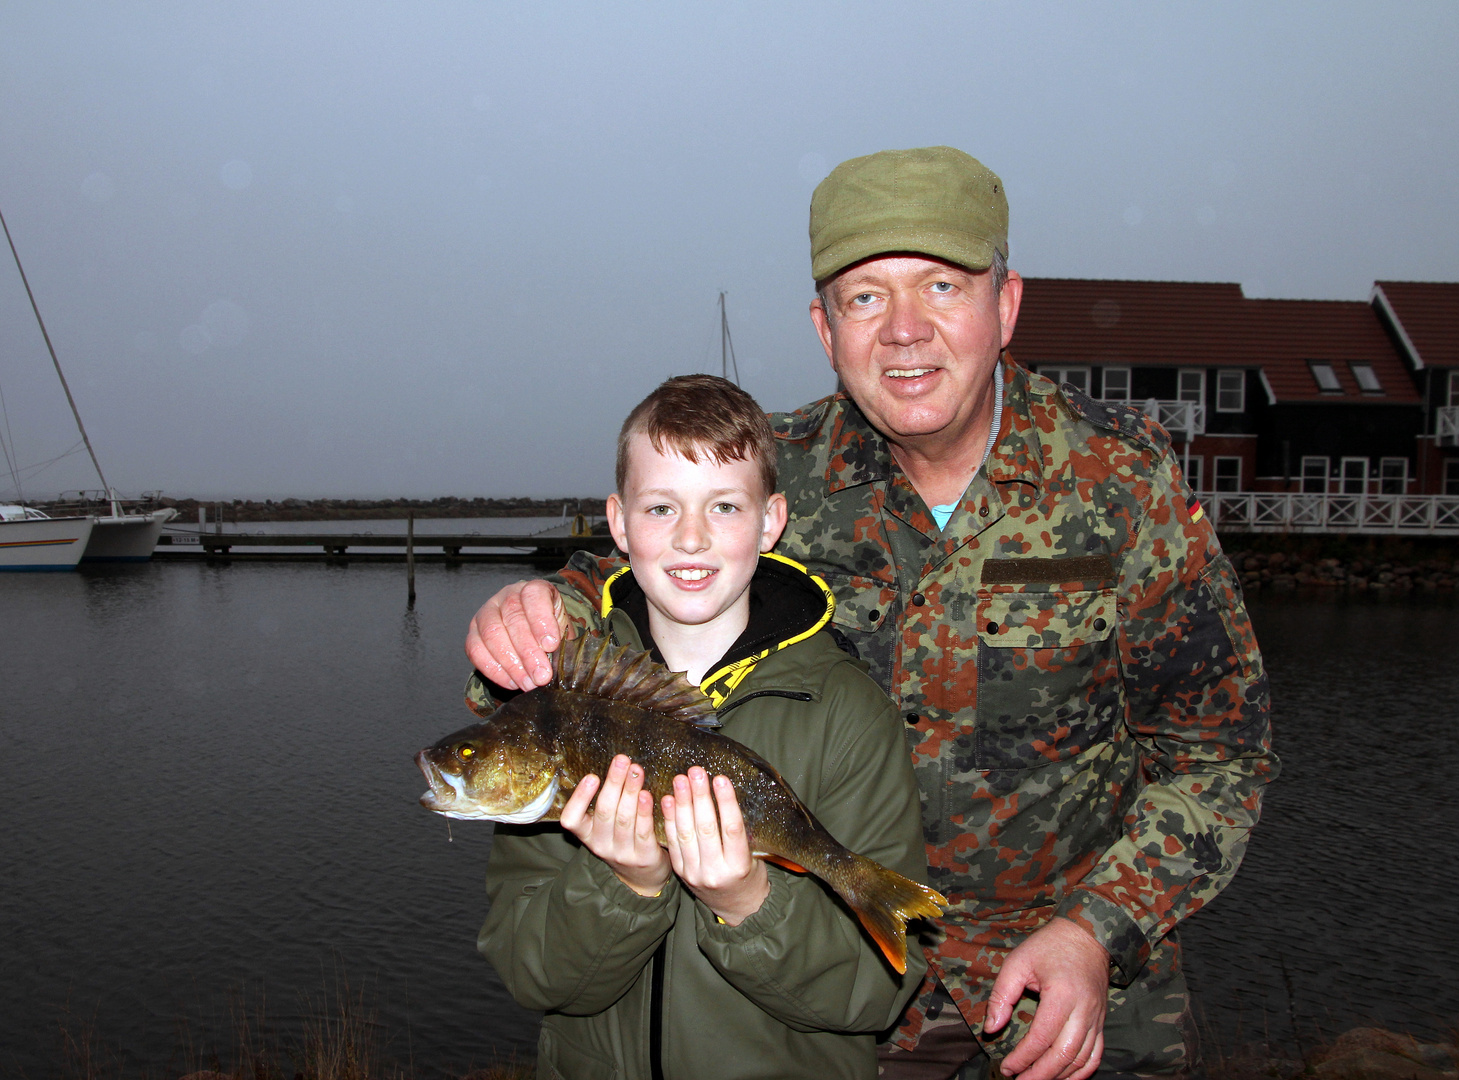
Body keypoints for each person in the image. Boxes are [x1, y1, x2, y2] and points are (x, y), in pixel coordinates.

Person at [468, 147, 1277, 1080]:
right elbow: (632, 579)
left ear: (1005, 306)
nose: (902, 331)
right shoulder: (771, 475)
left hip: (1071, 1003)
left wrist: (1099, 931)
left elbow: (1221, 754)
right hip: (832, 1004)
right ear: (823, 328)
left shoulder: (1123, 482)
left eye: (940, 286)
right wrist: (534, 605)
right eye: (863, 297)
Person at [474, 374, 932, 1080]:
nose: (690, 536)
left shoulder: (847, 713)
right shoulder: (551, 713)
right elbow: (536, 980)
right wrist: (623, 883)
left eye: (723, 506)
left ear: (770, 521)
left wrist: (746, 901)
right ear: (618, 522)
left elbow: (874, 996)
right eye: (660, 508)